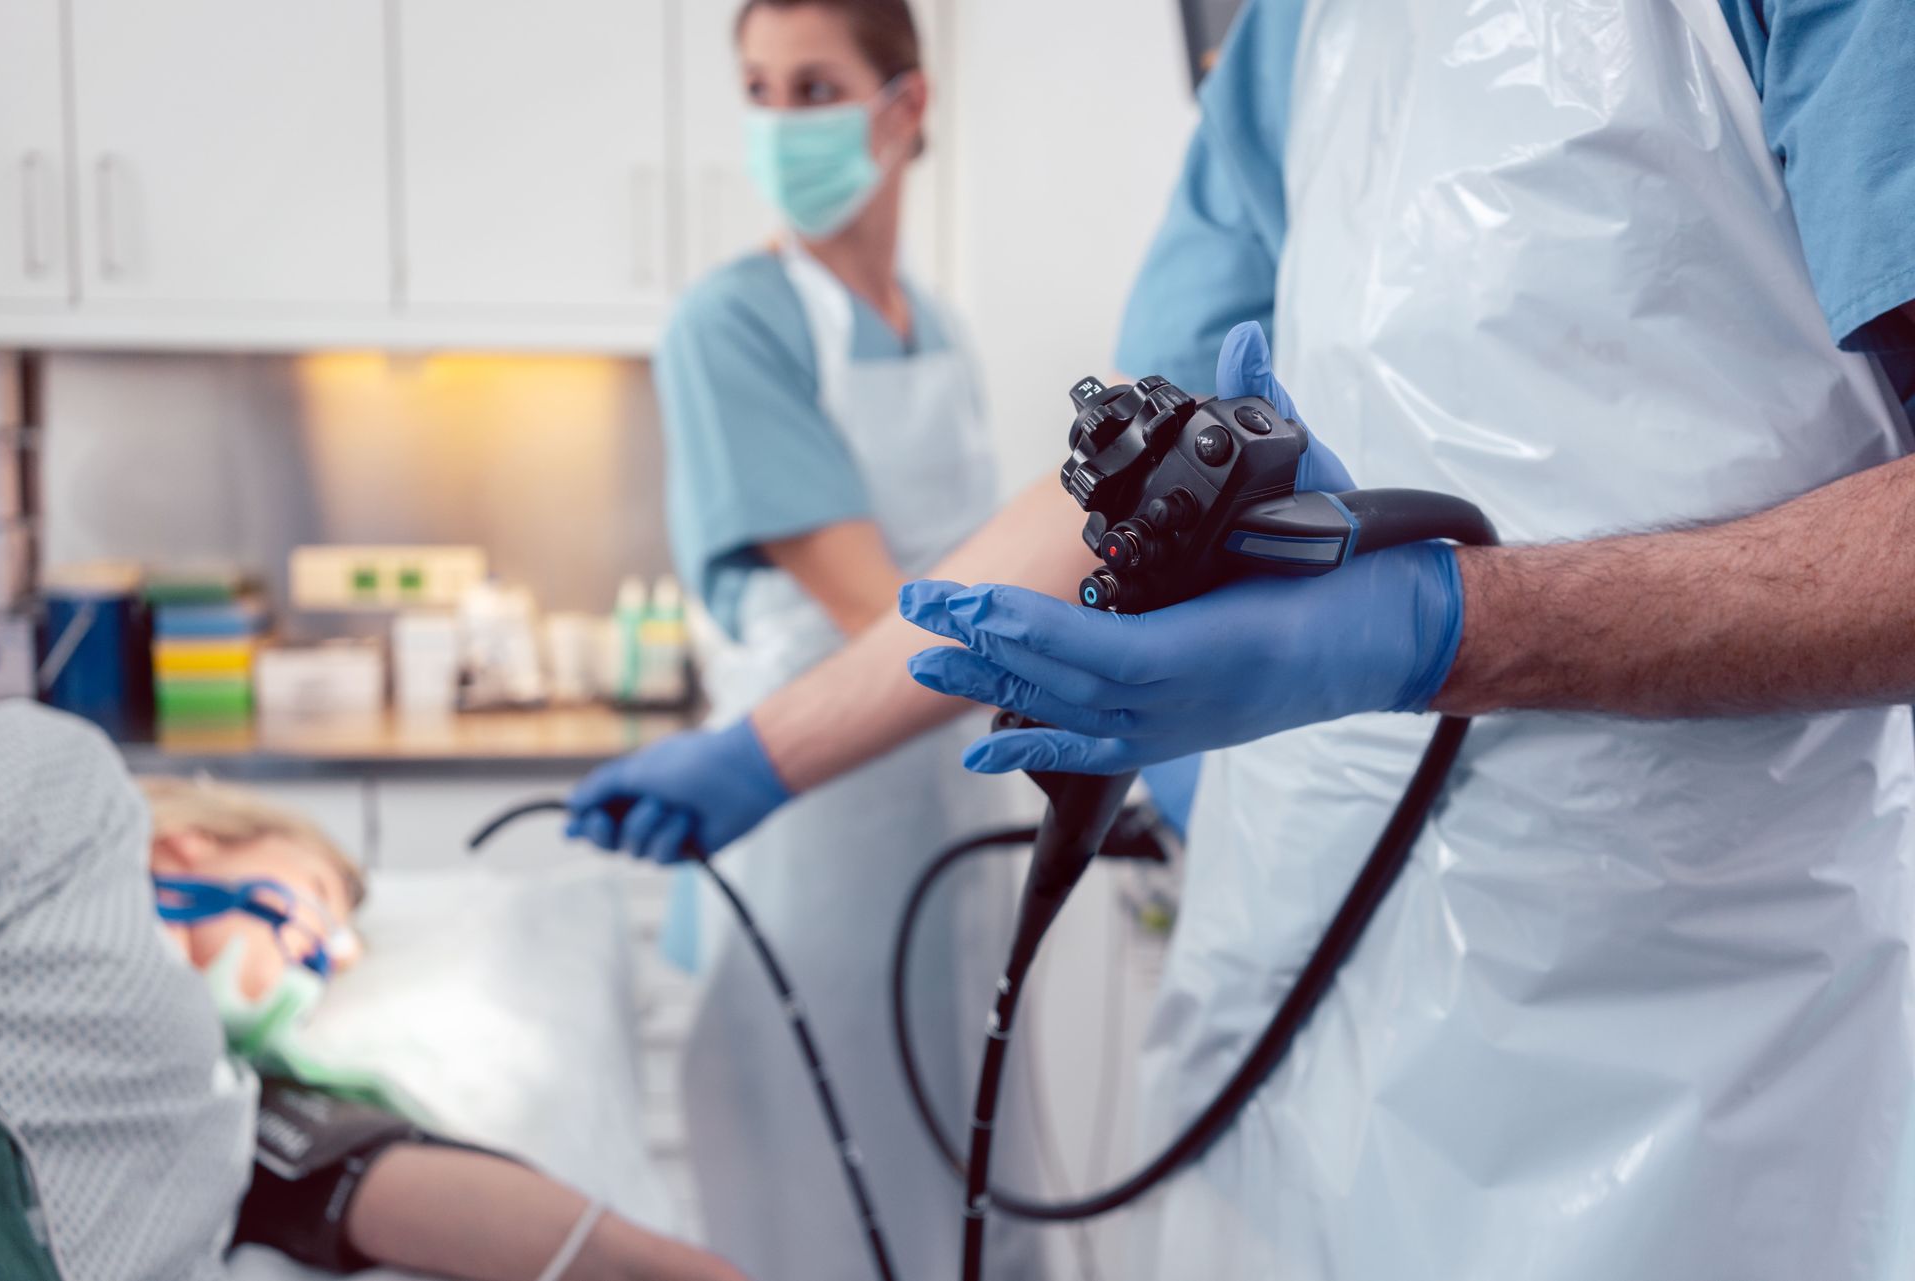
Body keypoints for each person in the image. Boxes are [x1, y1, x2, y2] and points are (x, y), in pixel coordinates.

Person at [565, 0, 1915, 1276]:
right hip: (1288, 962)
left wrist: (1449, 621)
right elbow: (1117, 487)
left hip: (1677, 1030)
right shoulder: (1301, 32)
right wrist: (765, 751)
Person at [566, 2, 1044, 1278]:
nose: (781, 124)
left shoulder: (937, 327)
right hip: (804, 818)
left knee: (950, 1189)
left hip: (941, 823)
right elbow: (883, 615)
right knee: (815, 1212)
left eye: (816, 86)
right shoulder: (734, 325)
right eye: (759, 89)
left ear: (906, 104)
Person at [0, 701, 743, 1281]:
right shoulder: (74, 804)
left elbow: (414, 1194)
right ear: (190, 844)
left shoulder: (240, 1117)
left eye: (338, 951)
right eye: (317, 889)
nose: (336, 948)